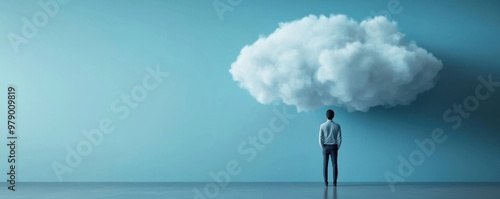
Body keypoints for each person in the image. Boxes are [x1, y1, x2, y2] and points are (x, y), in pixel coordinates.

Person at [319, 109, 342, 186]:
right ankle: (335, 182)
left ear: (326, 116)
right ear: (333, 116)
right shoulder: (337, 126)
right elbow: (339, 139)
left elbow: (320, 138)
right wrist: (337, 147)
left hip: (325, 146)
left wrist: (323, 147)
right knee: (334, 164)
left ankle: (326, 182)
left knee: (325, 165)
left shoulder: (322, 126)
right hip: (334, 146)